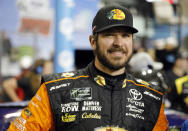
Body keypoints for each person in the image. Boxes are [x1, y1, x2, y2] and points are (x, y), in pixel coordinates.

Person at [7, 4, 168, 131]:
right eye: (109, 34)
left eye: (125, 35)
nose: (118, 43)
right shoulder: (56, 90)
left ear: (132, 41)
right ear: (92, 41)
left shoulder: (151, 98)